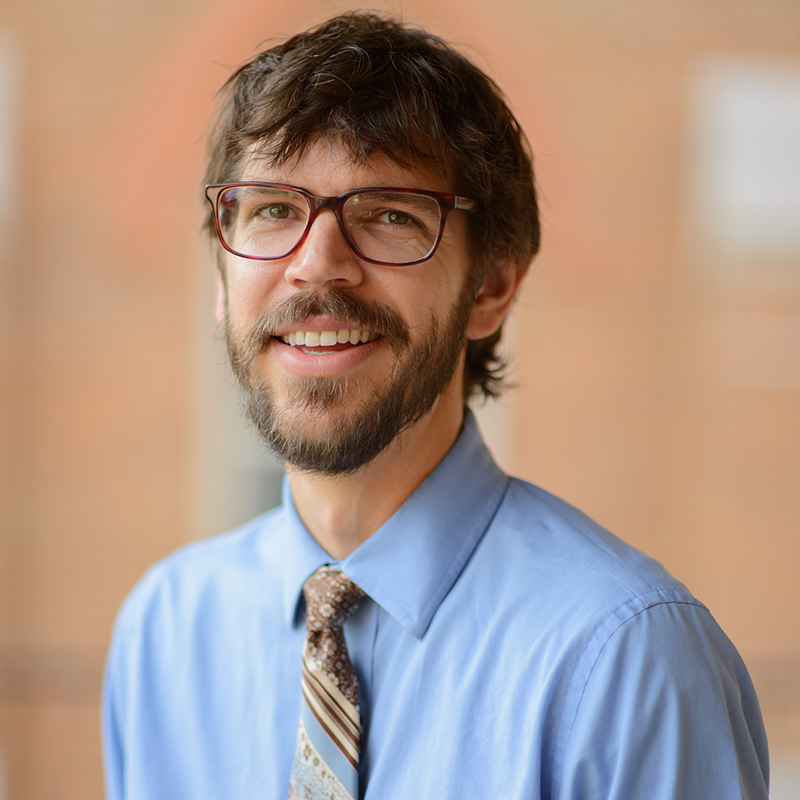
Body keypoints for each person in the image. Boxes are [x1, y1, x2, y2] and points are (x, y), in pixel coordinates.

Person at [102, 11, 769, 800]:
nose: (317, 268)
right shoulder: (164, 636)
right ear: (220, 277)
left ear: (491, 286)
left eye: (389, 216)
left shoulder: (628, 662)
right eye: (273, 209)